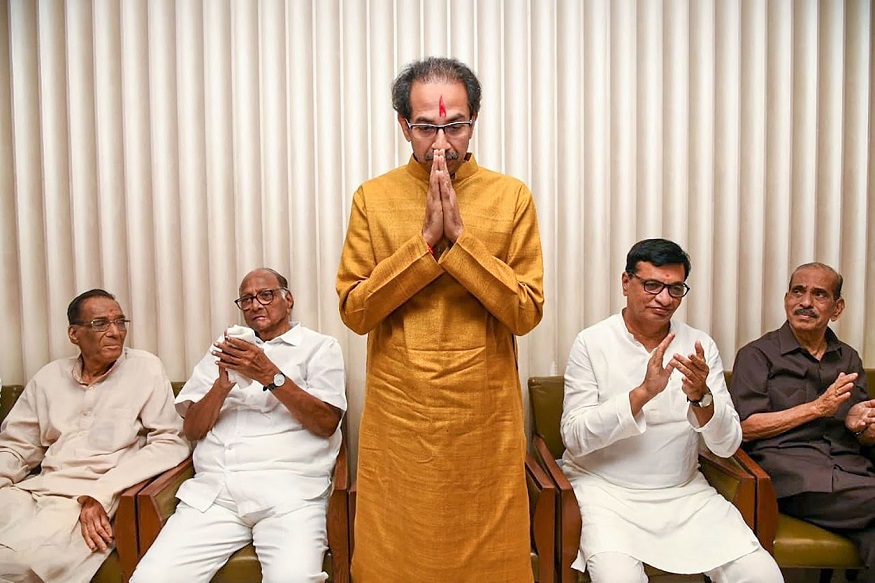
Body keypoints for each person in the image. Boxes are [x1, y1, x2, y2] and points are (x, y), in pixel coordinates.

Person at [336, 56, 544, 582]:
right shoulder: (373, 197)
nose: (442, 142)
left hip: (483, 413)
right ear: (404, 125)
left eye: (456, 125)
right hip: (402, 414)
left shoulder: (510, 196)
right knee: (397, 555)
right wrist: (425, 244)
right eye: (427, 127)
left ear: (474, 120)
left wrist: (461, 242)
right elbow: (355, 312)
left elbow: (525, 311)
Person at [560, 238, 782, 583]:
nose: (664, 299)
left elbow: (726, 446)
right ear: (625, 282)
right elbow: (575, 439)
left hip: (684, 493)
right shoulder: (592, 342)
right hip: (606, 493)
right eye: (652, 285)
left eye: (675, 289)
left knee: (762, 575)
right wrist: (643, 393)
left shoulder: (699, 345)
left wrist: (702, 399)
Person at [132, 268, 346, 583]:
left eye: (266, 295)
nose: (255, 304)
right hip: (215, 496)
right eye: (246, 299)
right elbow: (192, 429)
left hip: (289, 495)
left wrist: (269, 375)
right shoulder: (224, 350)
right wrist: (222, 385)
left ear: (289, 300)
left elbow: (326, 422)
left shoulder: (319, 348)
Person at [0, 288, 189, 583]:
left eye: (120, 322)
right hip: (36, 490)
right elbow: (17, 446)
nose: (115, 332)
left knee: (21, 567)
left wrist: (100, 494)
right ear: (74, 334)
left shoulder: (145, 368)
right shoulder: (49, 377)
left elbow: (170, 442)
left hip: (91, 498)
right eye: (101, 324)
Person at [731, 262, 875, 581]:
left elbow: (860, 429)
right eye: (798, 291)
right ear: (786, 299)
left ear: (837, 308)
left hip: (850, 472)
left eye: (819, 294)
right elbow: (744, 428)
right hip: (793, 478)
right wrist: (816, 408)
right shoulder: (757, 355)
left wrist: (861, 427)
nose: (805, 302)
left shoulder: (848, 357)